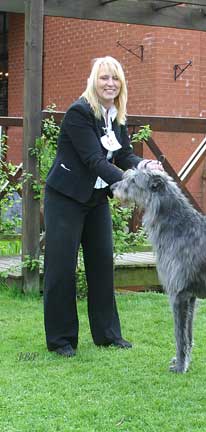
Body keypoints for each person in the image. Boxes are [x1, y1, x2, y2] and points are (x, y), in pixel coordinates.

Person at [43, 56, 163, 357]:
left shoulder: (116, 115)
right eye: (104, 78)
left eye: (115, 79)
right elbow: (94, 161)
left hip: (95, 200)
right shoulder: (79, 113)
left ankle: (108, 336)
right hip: (65, 198)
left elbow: (123, 155)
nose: (110, 84)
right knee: (61, 269)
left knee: (101, 266)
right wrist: (131, 183)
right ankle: (61, 341)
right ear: (93, 82)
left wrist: (144, 164)